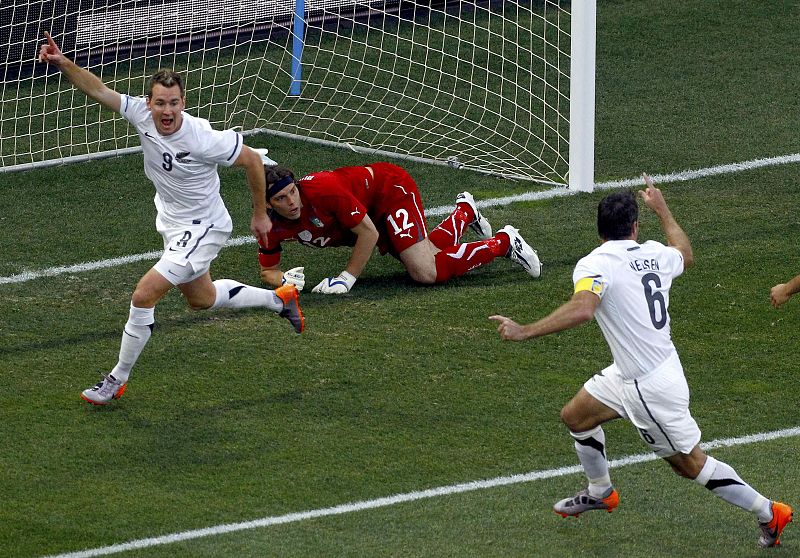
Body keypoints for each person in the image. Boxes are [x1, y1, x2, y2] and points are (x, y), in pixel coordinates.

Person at [490, 174, 792, 547]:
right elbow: (685, 252)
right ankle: (600, 491)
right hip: (636, 372)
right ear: (634, 226)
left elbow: (584, 309)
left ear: (599, 229)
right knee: (576, 416)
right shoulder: (655, 253)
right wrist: (663, 210)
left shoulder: (594, 264)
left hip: (649, 387)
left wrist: (525, 331)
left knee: (690, 464)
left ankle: (769, 512)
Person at [38, 32, 305, 406]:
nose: (166, 111)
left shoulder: (201, 137)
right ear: (149, 102)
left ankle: (117, 379)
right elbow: (99, 91)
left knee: (144, 294)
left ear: (183, 103)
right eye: (160, 103)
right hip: (173, 222)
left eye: (174, 103)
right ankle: (280, 300)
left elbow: (252, 161)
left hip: (203, 226)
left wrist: (260, 213)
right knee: (202, 298)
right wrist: (64, 62)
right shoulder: (140, 114)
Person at [256, 162, 541, 293]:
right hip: (370, 214)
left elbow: (368, 233)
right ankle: (465, 212)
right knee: (428, 253)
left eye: (293, 191)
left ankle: (505, 242)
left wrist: (346, 278)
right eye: (281, 198)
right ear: (269, 205)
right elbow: (267, 270)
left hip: (389, 191)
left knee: (425, 272)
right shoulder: (267, 225)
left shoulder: (323, 190)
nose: (292, 201)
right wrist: (282, 279)